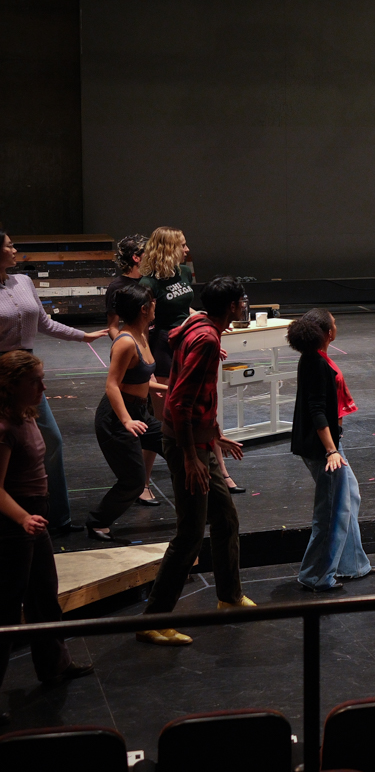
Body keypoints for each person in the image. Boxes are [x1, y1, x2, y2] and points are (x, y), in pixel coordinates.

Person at [136, 276, 254, 647]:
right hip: (188, 447)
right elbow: (180, 401)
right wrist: (191, 456)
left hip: (199, 441)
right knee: (189, 533)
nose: (246, 305)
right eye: (243, 300)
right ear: (233, 306)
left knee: (225, 518)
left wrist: (213, 434)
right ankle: (153, 620)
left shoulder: (198, 324)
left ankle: (229, 597)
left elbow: (199, 397)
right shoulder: (206, 338)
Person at [0, 352, 95, 718]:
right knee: (6, 609)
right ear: (12, 385)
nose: (43, 387)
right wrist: (24, 518)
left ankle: (54, 664)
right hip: (14, 523)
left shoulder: (26, 414)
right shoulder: (4, 427)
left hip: (33, 517)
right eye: (34, 381)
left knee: (43, 594)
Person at [0, 231, 109, 536]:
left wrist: (83, 336)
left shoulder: (23, 281)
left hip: (28, 376)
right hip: (2, 376)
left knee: (52, 442)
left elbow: (44, 323)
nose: (14, 249)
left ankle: (58, 519)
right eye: (9, 245)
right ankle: (14, 516)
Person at [139, 227, 244, 493]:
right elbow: (142, 325)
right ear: (167, 248)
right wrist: (147, 365)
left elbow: (183, 308)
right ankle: (143, 483)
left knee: (206, 409)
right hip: (164, 346)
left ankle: (221, 472)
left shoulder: (183, 273)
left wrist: (205, 326)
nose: (187, 250)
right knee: (165, 421)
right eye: (182, 245)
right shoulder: (148, 283)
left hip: (187, 340)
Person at [287, 309, 374, 593]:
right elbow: (317, 411)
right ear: (328, 333)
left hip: (330, 444)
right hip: (323, 448)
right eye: (334, 322)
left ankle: (352, 565)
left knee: (349, 496)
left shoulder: (316, 357)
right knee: (331, 510)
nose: (336, 325)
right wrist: (331, 451)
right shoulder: (314, 362)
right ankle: (315, 576)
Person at [87, 285, 167, 540]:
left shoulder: (142, 336)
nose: (156, 307)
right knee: (133, 481)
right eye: (153, 303)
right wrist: (126, 420)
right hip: (116, 418)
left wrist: (168, 386)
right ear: (144, 309)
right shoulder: (125, 342)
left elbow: (139, 380)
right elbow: (112, 385)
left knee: (175, 443)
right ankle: (97, 522)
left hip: (139, 413)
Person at [106, 233, 147, 340]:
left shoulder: (151, 280)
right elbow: (112, 327)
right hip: (135, 340)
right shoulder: (116, 287)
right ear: (136, 258)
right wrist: (126, 346)